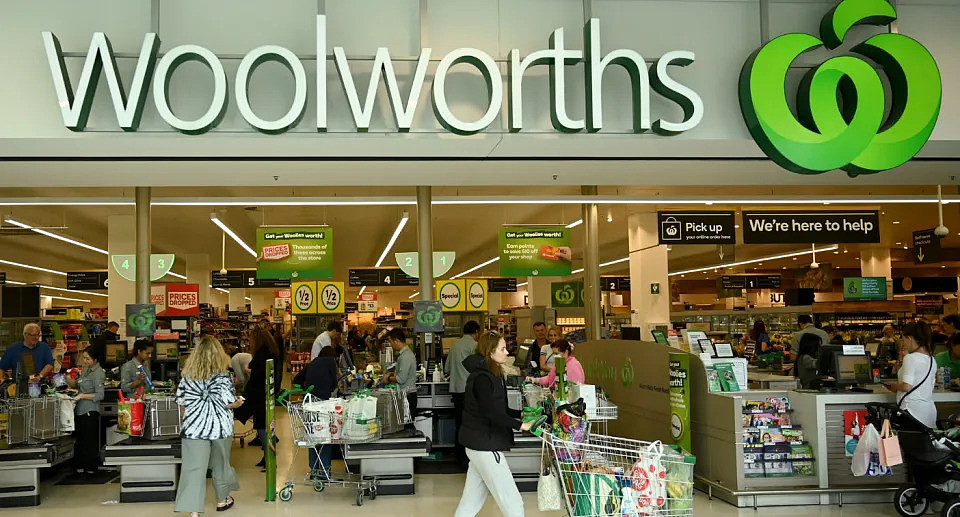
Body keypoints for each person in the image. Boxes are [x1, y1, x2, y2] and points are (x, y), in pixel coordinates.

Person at [455, 331, 534, 517]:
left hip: (476, 445)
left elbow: (497, 408)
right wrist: (519, 425)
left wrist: (520, 414)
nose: (507, 353)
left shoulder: (489, 374)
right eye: (502, 349)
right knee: (513, 502)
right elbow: (489, 412)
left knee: (470, 502)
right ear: (490, 352)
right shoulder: (483, 378)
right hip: (486, 446)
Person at [174, 336, 243, 517]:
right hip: (220, 428)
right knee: (220, 464)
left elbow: (181, 402)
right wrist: (239, 402)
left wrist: (190, 419)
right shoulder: (223, 377)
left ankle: (194, 511)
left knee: (194, 468)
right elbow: (229, 402)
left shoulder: (187, 377)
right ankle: (222, 500)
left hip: (194, 429)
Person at [293, 346, 338, 480]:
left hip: (310, 404)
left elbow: (297, 379)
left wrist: (306, 390)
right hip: (323, 405)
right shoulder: (331, 361)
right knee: (325, 436)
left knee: (312, 436)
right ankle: (325, 470)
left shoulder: (313, 363)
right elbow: (334, 384)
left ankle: (314, 470)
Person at [885, 321, 936, 428]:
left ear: (909, 338)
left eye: (903, 339)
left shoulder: (910, 358)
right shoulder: (931, 359)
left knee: (909, 444)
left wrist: (894, 386)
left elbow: (907, 386)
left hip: (912, 411)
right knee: (925, 444)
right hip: (929, 412)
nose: (903, 344)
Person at [243, 327, 282, 469]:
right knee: (266, 425)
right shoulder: (273, 351)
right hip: (269, 394)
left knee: (261, 426)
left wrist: (248, 370)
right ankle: (267, 456)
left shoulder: (261, 354)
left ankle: (269, 458)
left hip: (260, 395)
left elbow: (255, 373)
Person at [445, 320, 481, 465]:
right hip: (469, 391)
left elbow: (447, 368)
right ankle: (468, 456)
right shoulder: (475, 346)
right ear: (476, 332)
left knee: (459, 421)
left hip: (456, 390)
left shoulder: (454, 345)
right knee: (470, 423)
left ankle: (458, 454)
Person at [67, 347, 105, 474]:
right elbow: (78, 385)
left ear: (95, 359)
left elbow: (100, 395)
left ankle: (90, 468)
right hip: (79, 409)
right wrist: (67, 379)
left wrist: (82, 396)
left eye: (87, 358)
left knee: (89, 441)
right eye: (83, 358)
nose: (84, 360)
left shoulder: (98, 373)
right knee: (80, 440)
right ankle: (80, 466)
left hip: (90, 410)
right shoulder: (85, 370)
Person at [386, 328, 418, 422]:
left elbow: (401, 379)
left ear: (397, 341)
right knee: (405, 425)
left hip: (408, 396)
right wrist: (392, 374)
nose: (391, 345)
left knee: (407, 426)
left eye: (391, 342)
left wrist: (388, 379)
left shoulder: (406, 356)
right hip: (405, 395)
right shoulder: (404, 354)